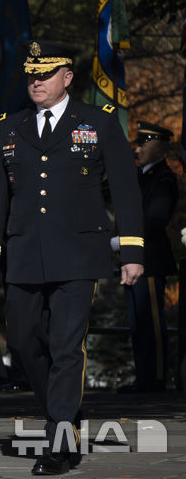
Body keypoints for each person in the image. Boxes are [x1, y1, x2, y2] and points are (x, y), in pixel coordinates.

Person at [0, 40, 144, 475]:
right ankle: (63, 413)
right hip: (24, 255)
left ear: (67, 77)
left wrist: (132, 250)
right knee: (22, 342)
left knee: (67, 347)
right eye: (31, 74)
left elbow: (126, 190)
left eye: (45, 74)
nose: (36, 81)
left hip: (78, 253)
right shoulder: (8, 127)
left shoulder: (97, 121)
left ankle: (58, 438)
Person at [117, 121, 177, 393]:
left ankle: (155, 378)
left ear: (159, 146)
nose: (137, 149)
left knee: (151, 322)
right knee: (137, 323)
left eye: (143, 143)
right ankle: (144, 377)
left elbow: (155, 219)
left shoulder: (163, 178)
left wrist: (124, 239)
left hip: (150, 259)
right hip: (134, 257)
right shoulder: (138, 176)